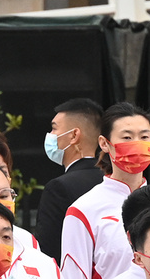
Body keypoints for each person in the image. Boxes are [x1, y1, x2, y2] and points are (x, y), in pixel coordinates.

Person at [61, 102, 150, 279]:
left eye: (144, 136)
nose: (137, 143)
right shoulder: (84, 210)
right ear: (104, 144)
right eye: (127, 137)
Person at [35, 97, 108, 261]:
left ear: (74, 135)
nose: (51, 136)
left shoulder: (59, 188)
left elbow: (48, 253)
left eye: (54, 129)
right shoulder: (114, 181)